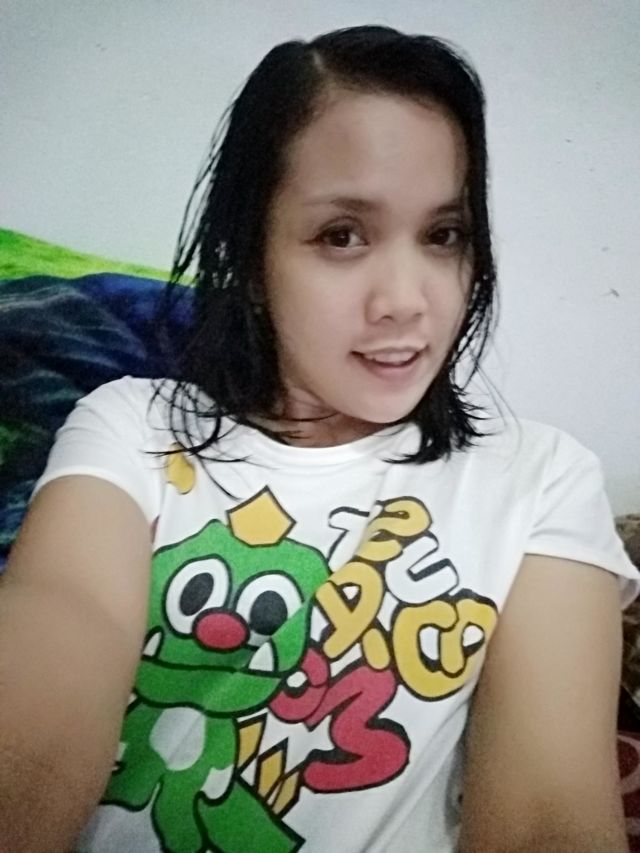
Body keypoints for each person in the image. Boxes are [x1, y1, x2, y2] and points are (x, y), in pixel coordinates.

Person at [0, 24, 637, 853]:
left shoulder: (541, 477)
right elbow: (54, 659)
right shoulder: (133, 426)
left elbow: (548, 814)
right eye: (342, 235)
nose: (406, 299)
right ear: (251, 255)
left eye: (443, 234)